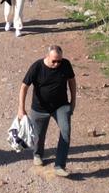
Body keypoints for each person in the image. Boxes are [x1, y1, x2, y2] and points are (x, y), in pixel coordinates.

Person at [17, 44, 77, 176]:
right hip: (40, 108)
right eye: (54, 61)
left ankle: (60, 165)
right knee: (39, 135)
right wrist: (21, 108)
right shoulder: (37, 67)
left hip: (61, 106)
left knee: (65, 132)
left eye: (59, 61)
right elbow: (24, 87)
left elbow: (72, 81)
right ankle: (38, 154)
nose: (57, 64)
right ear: (47, 56)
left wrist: (73, 101)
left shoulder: (66, 65)